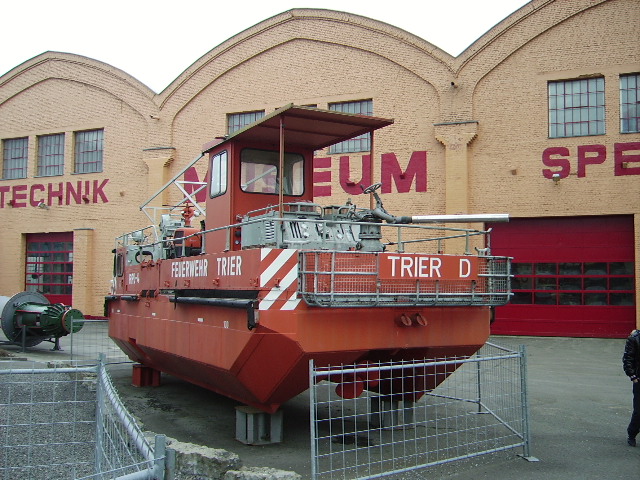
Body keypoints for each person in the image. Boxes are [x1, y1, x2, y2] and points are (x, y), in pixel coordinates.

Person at [622, 329, 640, 447]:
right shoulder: (634, 339)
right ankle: (632, 433)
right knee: (638, 411)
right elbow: (628, 358)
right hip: (639, 379)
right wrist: (633, 376)